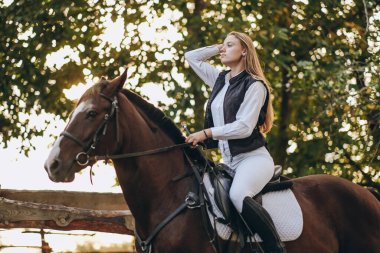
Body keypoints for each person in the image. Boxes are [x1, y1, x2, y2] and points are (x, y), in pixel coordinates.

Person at [184, 31, 286, 253]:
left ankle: (275, 248)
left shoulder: (255, 85)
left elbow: (244, 127)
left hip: (254, 159)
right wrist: (217, 47)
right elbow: (191, 57)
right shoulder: (220, 79)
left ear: (244, 51)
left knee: (237, 195)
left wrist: (207, 133)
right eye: (223, 46)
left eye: (230, 46)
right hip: (228, 163)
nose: (223, 49)